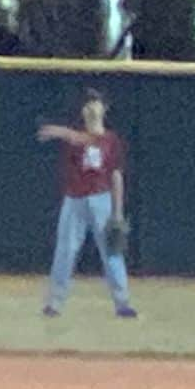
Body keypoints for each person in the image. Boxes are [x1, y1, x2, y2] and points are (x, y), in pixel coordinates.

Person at [37, 88, 137, 318]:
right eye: (88, 103)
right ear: (82, 110)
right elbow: (83, 139)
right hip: (74, 200)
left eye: (96, 103)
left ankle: (122, 304)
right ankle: (54, 304)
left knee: (111, 252)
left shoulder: (111, 140)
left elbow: (116, 175)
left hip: (101, 199)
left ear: (105, 108)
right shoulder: (76, 139)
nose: (92, 107)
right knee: (66, 251)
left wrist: (118, 211)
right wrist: (63, 133)